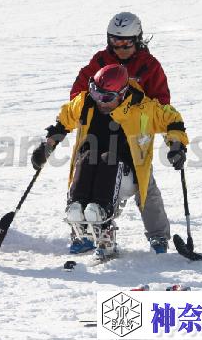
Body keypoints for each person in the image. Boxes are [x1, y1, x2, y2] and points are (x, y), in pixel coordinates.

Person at [32, 64, 189, 256]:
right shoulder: (85, 103)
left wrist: (176, 146)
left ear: (122, 94)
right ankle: (79, 219)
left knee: (111, 160)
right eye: (95, 93)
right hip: (92, 167)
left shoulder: (143, 108)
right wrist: (47, 147)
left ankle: (105, 223)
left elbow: (172, 120)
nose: (100, 101)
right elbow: (64, 120)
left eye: (106, 98)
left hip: (128, 173)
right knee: (87, 157)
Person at [69, 12, 175, 251]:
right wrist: (97, 101)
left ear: (137, 40)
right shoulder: (99, 61)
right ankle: (83, 232)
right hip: (97, 130)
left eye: (126, 44)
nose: (120, 49)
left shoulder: (149, 66)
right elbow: (77, 94)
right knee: (84, 173)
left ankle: (158, 236)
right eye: (114, 42)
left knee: (144, 186)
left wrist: (172, 141)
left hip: (132, 138)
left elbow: (163, 107)